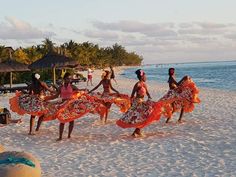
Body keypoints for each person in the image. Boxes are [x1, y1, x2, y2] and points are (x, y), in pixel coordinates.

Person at [50, 72, 79, 141]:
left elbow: (79, 93)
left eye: (70, 78)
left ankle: (69, 135)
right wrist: (47, 98)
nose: (69, 80)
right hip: (63, 105)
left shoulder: (72, 87)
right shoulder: (60, 87)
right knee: (62, 121)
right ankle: (60, 137)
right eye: (67, 78)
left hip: (70, 105)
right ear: (64, 79)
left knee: (71, 121)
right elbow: (56, 96)